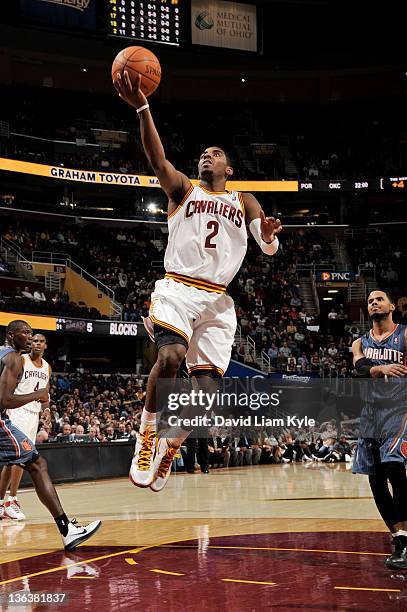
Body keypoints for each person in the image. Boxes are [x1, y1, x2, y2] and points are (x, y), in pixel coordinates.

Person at [114, 71, 282, 492]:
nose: (207, 157)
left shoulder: (241, 199)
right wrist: (143, 108)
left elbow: (265, 242)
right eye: (204, 154)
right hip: (178, 288)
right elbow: (158, 161)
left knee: (205, 399)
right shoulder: (183, 191)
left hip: (218, 302)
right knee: (170, 359)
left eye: (216, 153)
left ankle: (171, 448)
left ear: (230, 167)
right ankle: (148, 435)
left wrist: (268, 233)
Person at [0, 320, 101, 549]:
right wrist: (39, 394)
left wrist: (44, 405)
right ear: (11, 334)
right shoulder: (15, 358)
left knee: (25, 461)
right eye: (25, 333)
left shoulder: (8, 355)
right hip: (7, 417)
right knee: (36, 464)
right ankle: (67, 530)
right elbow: (4, 400)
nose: (29, 338)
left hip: (26, 415)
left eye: (32, 334)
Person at [352, 290, 407, 569]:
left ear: (391, 306)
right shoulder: (359, 342)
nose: (374, 303)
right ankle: (398, 538)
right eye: (370, 300)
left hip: (399, 410)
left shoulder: (405, 336)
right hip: (370, 414)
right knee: (375, 478)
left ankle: (406, 537)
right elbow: (360, 368)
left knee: (395, 469)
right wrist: (381, 369)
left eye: (379, 299)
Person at [0, 333, 51, 520]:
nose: (36, 343)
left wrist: (46, 411)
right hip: (17, 411)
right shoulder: (20, 360)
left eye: (40, 341)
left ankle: (6, 502)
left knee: (15, 460)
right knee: (19, 458)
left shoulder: (47, 367)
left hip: (33, 414)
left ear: (46, 345)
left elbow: (45, 393)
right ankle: (11, 500)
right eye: (34, 341)